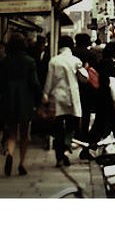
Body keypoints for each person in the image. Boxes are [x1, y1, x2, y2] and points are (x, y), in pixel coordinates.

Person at [0, 33, 42, 176]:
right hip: (25, 99)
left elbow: (0, 83)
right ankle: (21, 163)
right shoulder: (29, 61)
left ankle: (9, 154)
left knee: (11, 132)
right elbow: (34, 83)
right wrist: (41, 97)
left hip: (9, 99)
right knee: (24, 133)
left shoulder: (5, 62)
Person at [43, 35, 85, 167]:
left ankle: (59, 157)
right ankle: (67, 149)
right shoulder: (76, 61)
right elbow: (84, 78)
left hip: (57, 99)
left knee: (58, 129)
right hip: (72, 98)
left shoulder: (54, 61)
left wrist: (45, 94)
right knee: (71, 127)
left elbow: (49, 80)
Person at [72, 33, 95, 146]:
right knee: (86, 112)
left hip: (73, 86)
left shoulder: (72, 52)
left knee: (75, 111)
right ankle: (84, 134)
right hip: (87, 87)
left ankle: (75, 133)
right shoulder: (90, 54)